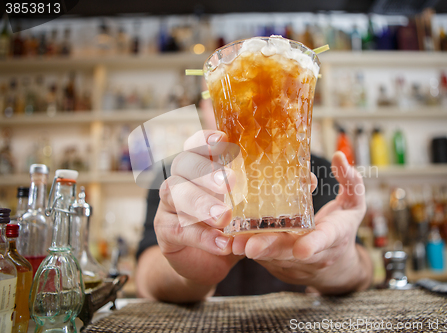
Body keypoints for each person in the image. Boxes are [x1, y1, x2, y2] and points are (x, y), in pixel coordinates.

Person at [135, 101, 373, 303]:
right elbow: (144, 279)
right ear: (205, 107)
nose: (248, 110)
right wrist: (188, 275)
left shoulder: (317, 170)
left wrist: (338, 264)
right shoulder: (175, 177)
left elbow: (364, 272)